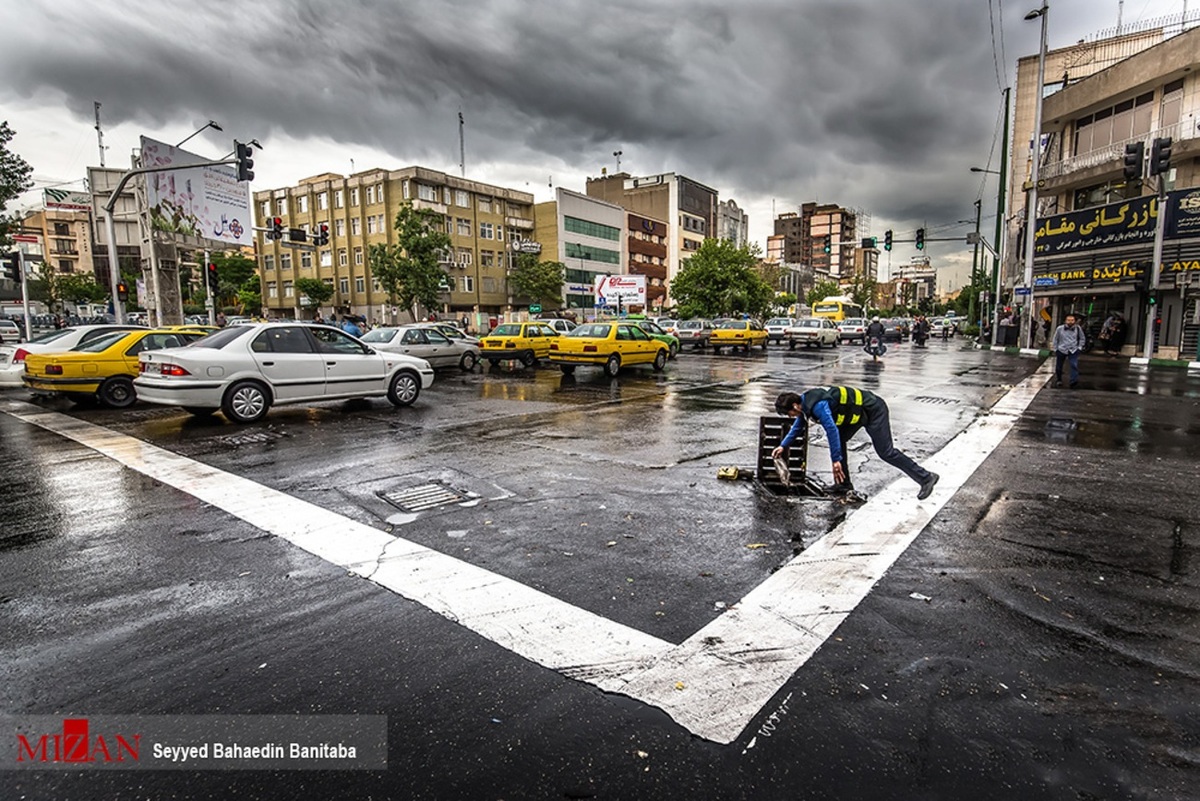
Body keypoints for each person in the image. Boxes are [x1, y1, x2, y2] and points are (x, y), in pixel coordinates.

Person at [772, 388, 940, 500]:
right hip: (857, 416)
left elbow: (831, 429)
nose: (791, 417)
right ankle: (843, 485)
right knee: (841, 441)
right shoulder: (805, 405)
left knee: (886, 452)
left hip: (874, 410)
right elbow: (798, 426)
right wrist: (783, 446)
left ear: (795, 405)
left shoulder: (817, 406)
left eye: (790, 413)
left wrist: (836, 460)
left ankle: (926, 477)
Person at [1051, 312, 1087, 388]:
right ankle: (1059, 379)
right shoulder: (1060, 328)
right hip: (1061, 349)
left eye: (1072, 320)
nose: (1070, 322)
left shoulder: (1078, 328)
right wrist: (1055, 349)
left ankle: (1073, 381)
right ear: (1065, 321)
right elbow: (1055, 339)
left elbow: (1082, 338)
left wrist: (1079, 347)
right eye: (1068, 320)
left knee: (1074, 365)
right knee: (1059, 366)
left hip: (1073, 350)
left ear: (1074, 321)